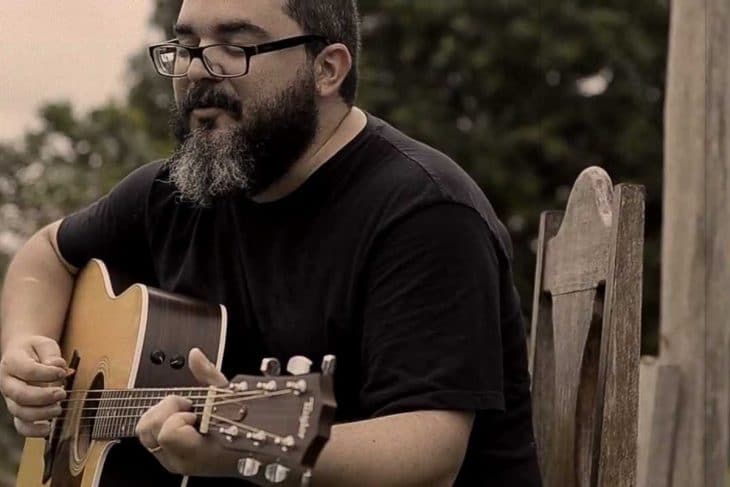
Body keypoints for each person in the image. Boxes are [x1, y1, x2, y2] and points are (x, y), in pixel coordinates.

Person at [0, 0, 541, 485]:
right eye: (185, 48)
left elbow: (429, 452)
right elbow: (46, 255)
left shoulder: (423, 212)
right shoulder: (172, 193)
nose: (196, 72)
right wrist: (24, 349)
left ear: (326, 69)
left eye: (234, 48)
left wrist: (239, 448)